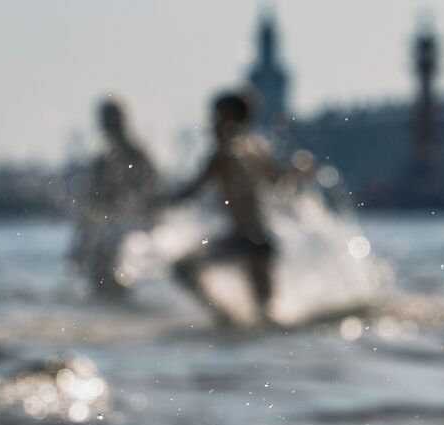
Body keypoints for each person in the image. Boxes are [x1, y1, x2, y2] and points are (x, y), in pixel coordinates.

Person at [169, 92, 287, 325]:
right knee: (266, 316)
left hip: (244, 240)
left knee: (182, 269)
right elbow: (280, 180)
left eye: (216, 116)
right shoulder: (255, 147)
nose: (211, 122)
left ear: (230, 118)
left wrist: (158, 202)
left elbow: (192, 191)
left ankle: (224, 317)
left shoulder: (224, 154)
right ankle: (232, 322)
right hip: (261, 239)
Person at [70, 98, 159, 299]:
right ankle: (114, 319)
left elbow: (153, 194)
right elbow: (93, 203)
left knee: (115, 277)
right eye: (105, 120)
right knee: (100, 278)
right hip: (109, 229)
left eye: (110, 119)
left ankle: (123, 320)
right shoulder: (104, 158)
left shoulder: (136, 155)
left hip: (130, 231)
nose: (107, 125)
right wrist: (81, 240)